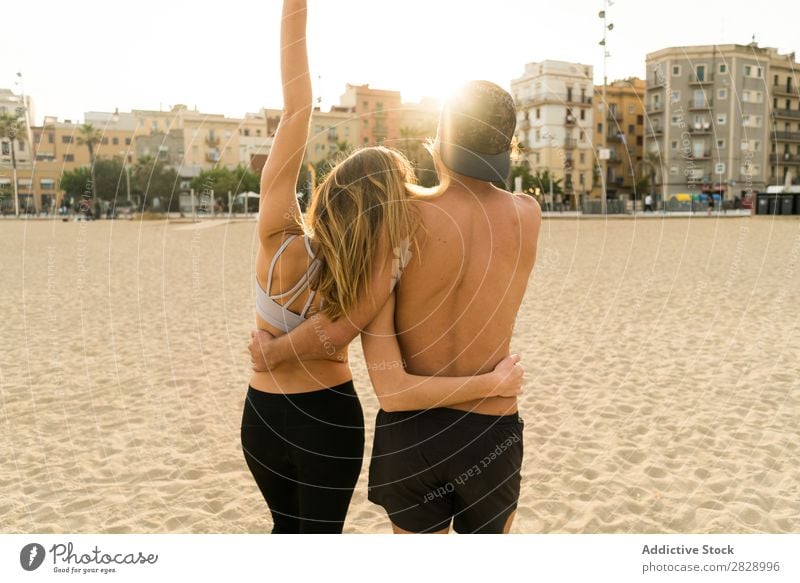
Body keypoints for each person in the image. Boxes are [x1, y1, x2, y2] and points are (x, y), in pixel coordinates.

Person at [243, 0, 524, 535]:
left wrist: (294, 13)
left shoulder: (275, 240)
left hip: (261, 414)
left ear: (329, 188)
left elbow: (295, 110)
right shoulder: (374, 272)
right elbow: (333, 335)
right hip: (328, 417)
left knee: (283, 531)